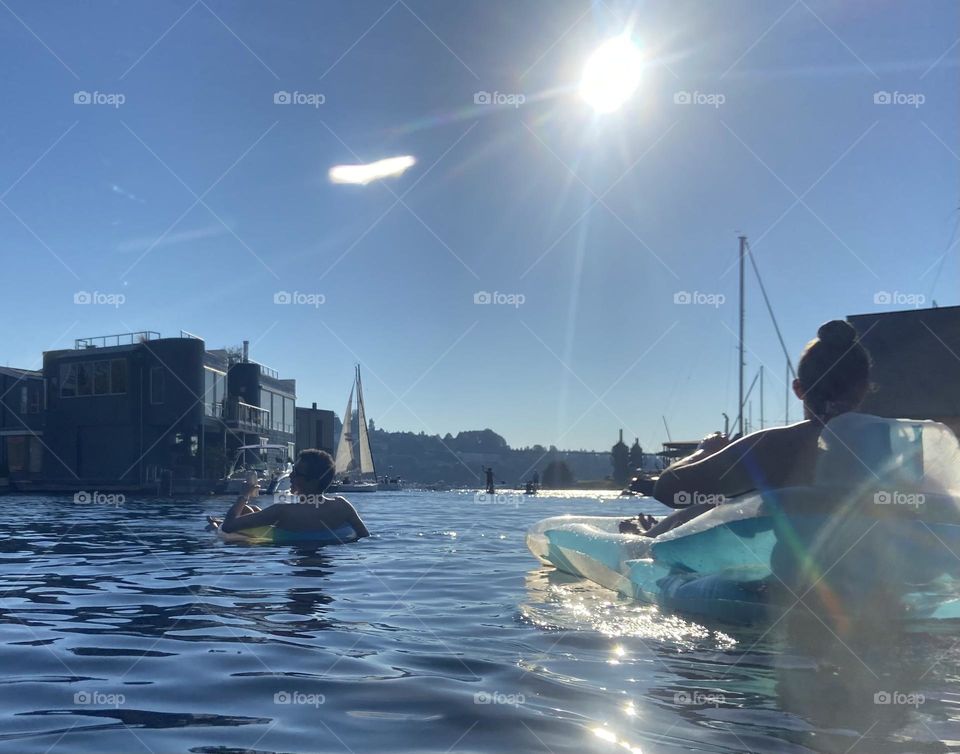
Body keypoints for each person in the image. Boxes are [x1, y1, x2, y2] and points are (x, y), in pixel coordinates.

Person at [621, 320, 871, 537]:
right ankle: (656, 534)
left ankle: (646, 539)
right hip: (881, 589)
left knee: (726, 501)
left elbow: (668, 490)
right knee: (731, 501)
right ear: (865, 387)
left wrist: (705, 451)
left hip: (782, 588)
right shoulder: (895, 445)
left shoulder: (779, 446)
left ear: (798, 389)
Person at [212, 449, 370, 539]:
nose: (290, 476)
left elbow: (227, 527)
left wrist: (244, 494)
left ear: (313, 481)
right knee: (251, 510)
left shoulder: (281, 511)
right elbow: (364, 536)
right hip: (325, 566)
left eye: (296, 473)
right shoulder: (342, 505)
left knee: (245, 509)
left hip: (290, 557)